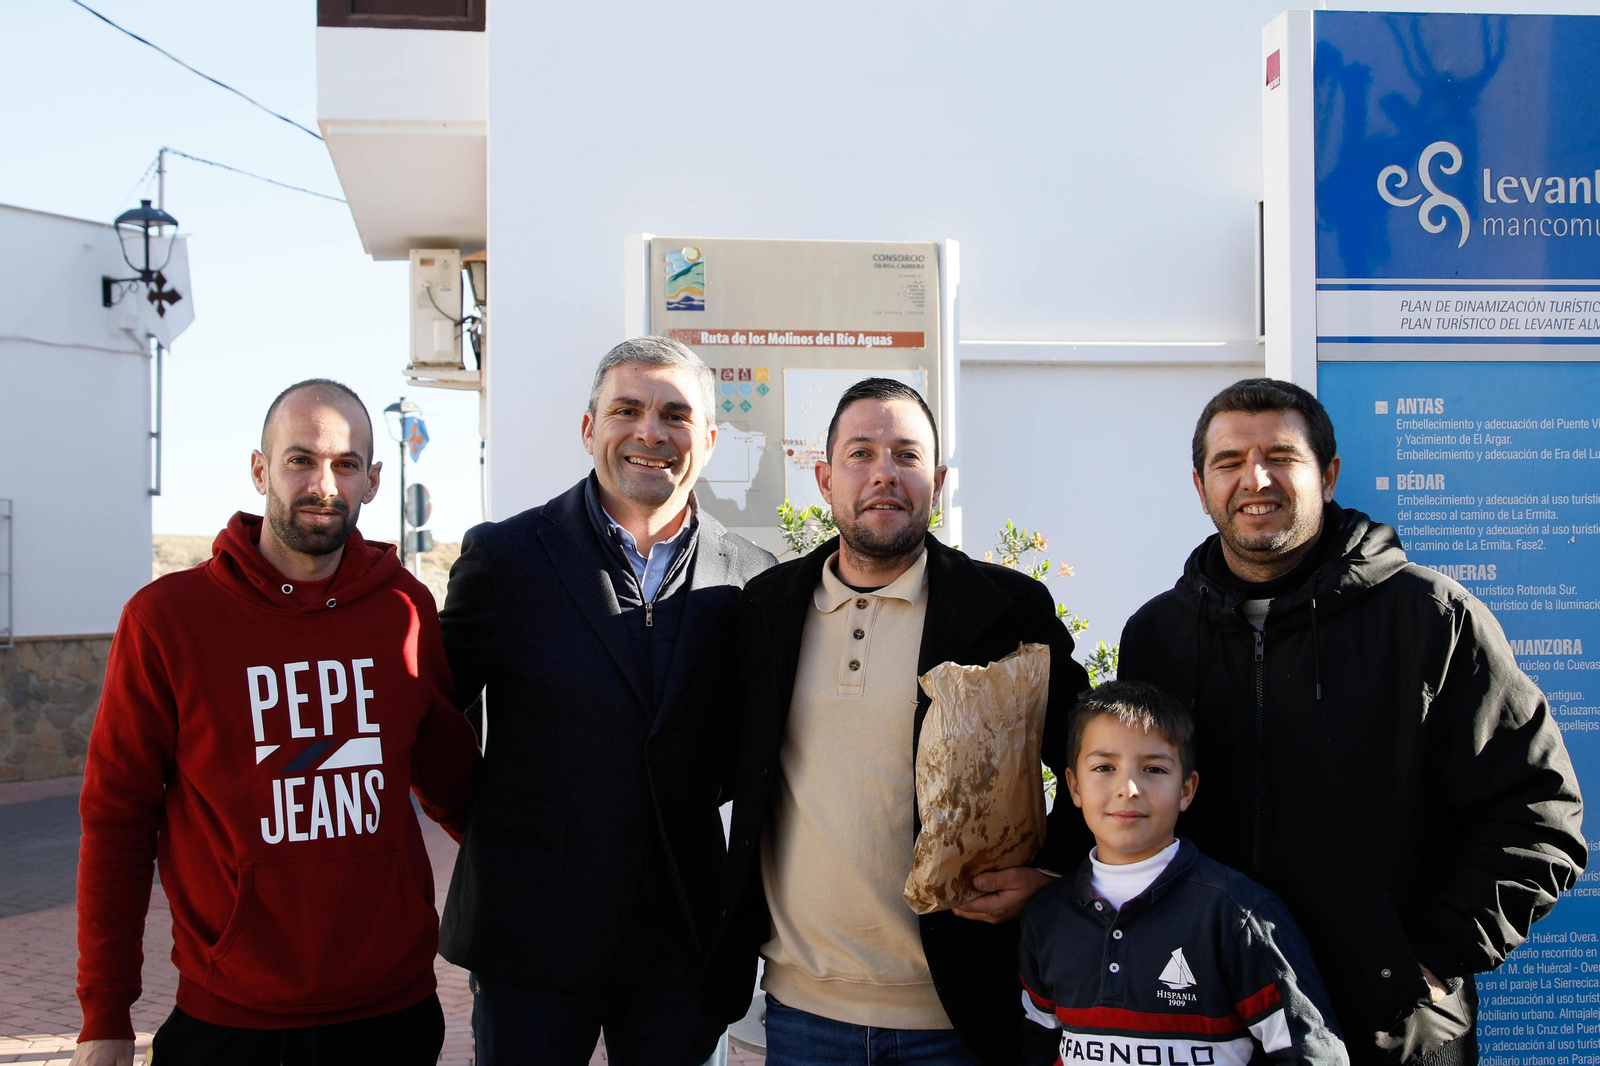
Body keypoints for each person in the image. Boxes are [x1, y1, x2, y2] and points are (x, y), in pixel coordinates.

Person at [1118, 378, 1585, 1066]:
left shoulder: (1431, 620)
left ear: (1328, 475)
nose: (1256, 478)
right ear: (1199, 485)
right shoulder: (1156, 636)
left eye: (1282, 456)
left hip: (1389, 1033)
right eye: (1230, 462)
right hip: (1208, 1026)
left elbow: (1540, 817)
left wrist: (1421, 963)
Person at [71, 379, 481, 1066]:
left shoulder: (403, 609)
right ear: (260, 469)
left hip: (392, 1015)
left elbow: (456, 785)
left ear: (374, 481)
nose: (323, 484)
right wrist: (104, 1015)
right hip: (230, 1021)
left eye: (346, 464)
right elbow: (117, 821)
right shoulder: (167, 619)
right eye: (301, 460)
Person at [703, 377, 1092, 1066]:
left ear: (937, 480)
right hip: (802, 1012)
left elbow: (1088, 752)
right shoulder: (766, 609)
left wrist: (1055, 874)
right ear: (825, 478)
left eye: (907, 455)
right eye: (861, 453)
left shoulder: (1005, 608)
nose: (884, 473)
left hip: (959, 1011)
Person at [437, 337, 775, 1066]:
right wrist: (494, 824)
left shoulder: (753, 580)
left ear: (708, 441)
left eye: (674, 415)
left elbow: (754, 752)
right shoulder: (504, 560)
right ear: (590, 428)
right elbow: (437, 723)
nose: (649, 433)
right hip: (529, 928)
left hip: (683, 937)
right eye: (627, 409)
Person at [1019, 680, 1347, 1066]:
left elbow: (1311, 1054)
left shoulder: (1238, 914)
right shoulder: (1046, 916)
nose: (1129, 788)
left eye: (1154, 769)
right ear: (1073, 786)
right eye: (1104, 767)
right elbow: (1036, 1044)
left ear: (1187, 790)